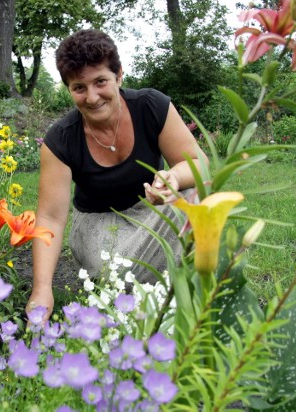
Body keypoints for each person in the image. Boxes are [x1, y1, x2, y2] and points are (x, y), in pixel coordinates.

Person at [26, 29, 208, 319]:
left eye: (101, 81)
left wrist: (174, 177)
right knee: (111, 271)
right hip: (100, 226)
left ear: (119, 75)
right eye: (79, 87)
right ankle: (159, 293)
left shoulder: (151, 106)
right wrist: (42, 288)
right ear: (69, 89)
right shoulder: (60, 140)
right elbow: (50, 218)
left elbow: (199, 164)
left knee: (198, 196)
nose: (92, 97)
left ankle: (180, 294)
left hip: (152, 212)